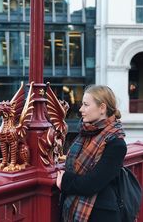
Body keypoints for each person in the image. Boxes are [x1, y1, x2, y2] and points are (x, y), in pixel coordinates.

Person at [56, 85, 127, 222]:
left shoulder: (116, 143)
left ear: (102, 108)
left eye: (86, 105)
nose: (81, 109)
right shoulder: (85, 134)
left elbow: (92, 183)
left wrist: (64, 180)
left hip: (100, 215)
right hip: (73, 209)